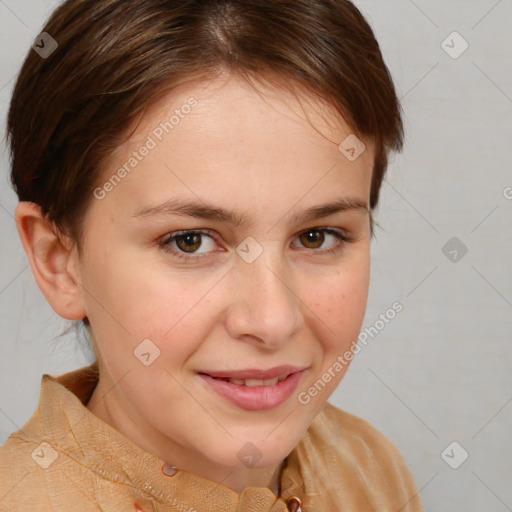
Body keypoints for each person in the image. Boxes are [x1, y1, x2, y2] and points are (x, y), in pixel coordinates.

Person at [0, 0, 423, 510]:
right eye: (190, 241)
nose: (272, 321)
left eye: (317, 236)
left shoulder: (369, 470)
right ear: (58, 261)